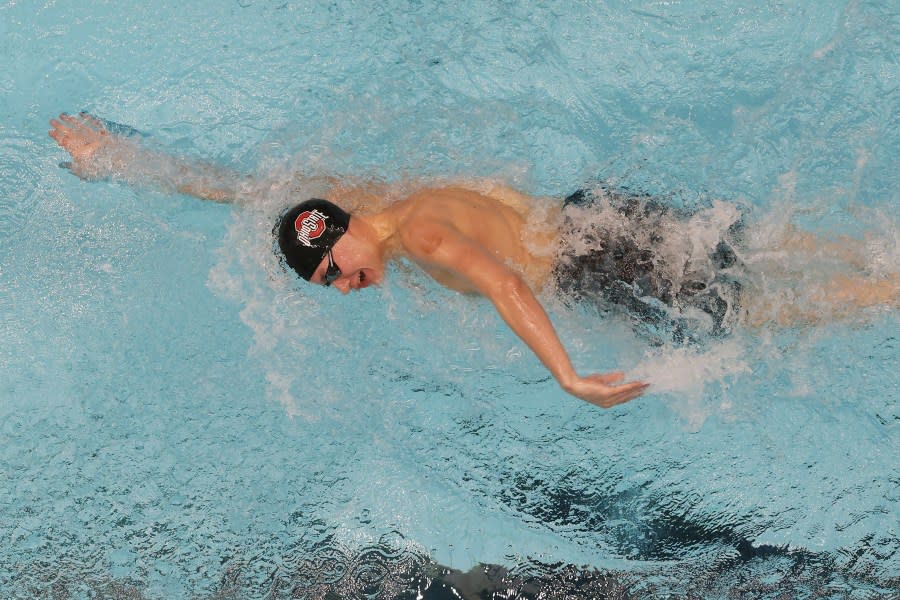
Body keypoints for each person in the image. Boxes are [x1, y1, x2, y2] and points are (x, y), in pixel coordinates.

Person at [49, 113, 897, 406]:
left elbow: (499, 281)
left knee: (753, 316)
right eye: (328, 286)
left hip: (595, 260)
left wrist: (567, 376)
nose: (345, 286)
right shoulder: (369, 201)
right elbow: (241, 189)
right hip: (596, 214)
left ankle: (888, 291)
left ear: (341, 234)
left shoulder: (414, 238)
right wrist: (117, 157)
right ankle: (881, 261)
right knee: (756, 245)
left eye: (335, 269)